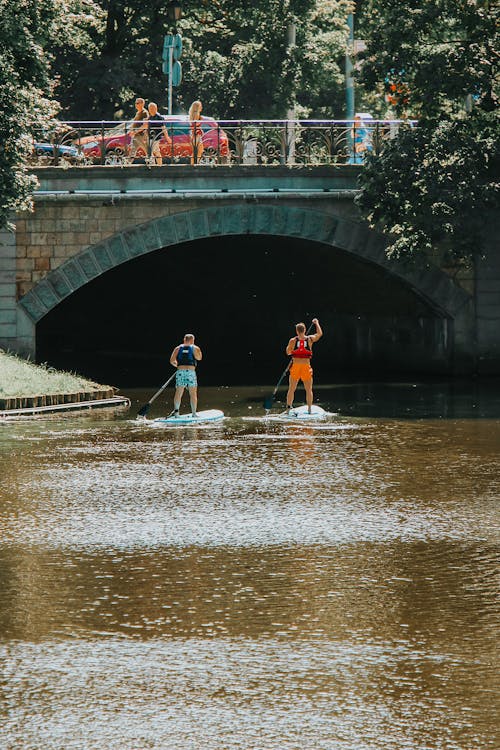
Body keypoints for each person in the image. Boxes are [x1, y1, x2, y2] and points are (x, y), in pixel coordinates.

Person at [285, 318, 323, 414]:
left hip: (296, 367)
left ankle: (288, 409)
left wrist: (294, 353)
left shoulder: (293, 340)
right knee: (308, 389)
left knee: (291, 389)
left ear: (297, 331)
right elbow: (319, 334)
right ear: (305, 330)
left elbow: (288, 352)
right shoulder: (310, 339)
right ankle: (309, 409)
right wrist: (316, 323)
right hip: (306, 367)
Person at [169, 333, 203, 417]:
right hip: (191, 372)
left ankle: (176, 413)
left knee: (179, 392)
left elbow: (172, 361)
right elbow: (199, 358)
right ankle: (194, 414)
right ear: (193, 340)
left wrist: (178, 366)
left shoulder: (177, 348)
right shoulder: (195, 348)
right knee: (193, 393)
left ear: (184, 339)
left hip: (180, 372)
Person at [188, 100, 204, 165]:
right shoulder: (197, 114)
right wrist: (201, 120)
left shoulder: (192, 114)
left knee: (195, 150)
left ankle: (194, 163)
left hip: (193, 133)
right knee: (199, 150)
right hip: (196, 134)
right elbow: (195, 124)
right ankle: (195, 164)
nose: (201, 107)